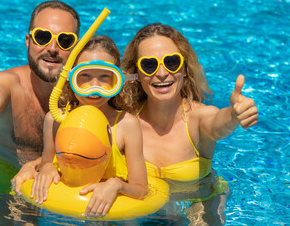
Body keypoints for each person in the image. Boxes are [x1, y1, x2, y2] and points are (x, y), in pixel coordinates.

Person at [120, 23, 258, 224]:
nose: (161, 73)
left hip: (199, 202)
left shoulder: (199, 118)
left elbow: (218, 125)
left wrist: (234, 116)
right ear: (137, 74)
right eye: (149, 65)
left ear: (184, 70)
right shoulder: (125, 121)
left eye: (172, 62)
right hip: (146, 209)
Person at [0, 0, 80, 224]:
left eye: (65, 41)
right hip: (11, 178)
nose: (53, 48)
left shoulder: (86, 92)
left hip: (66, 179)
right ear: (28, 41)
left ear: (77, 48)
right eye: (42, 37)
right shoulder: (8, 83)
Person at [15, 35, 148, 218]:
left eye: (105, 77)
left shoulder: (127, 125)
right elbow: (47, 163)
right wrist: (46, 168)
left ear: (118, 81)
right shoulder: (54, 120)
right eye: (84, 76)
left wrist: (116, 184)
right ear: (70, 77)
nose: (95, 87)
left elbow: (141, 190)